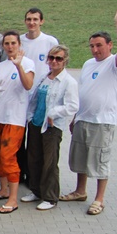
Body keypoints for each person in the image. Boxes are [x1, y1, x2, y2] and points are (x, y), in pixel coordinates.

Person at [61, 4, 117, 216]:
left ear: (109, 45)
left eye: (99, 45)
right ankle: (80, 191)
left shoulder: (114, 64)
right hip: (84, 118)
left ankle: (99, 199)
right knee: (81, 157)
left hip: (103, 122)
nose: (95, 49)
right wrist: (75, 117)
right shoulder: (88, 64)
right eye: (92, 45)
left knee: (100, 161)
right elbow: (83, 92)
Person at [20, 45, 78, 211]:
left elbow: (72, 106)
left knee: (49, 162)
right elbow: (35, 99)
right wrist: (31, 118)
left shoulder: (68, 82)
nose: (54, 61)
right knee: (34, 159)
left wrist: (53, 113)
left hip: (52, 127)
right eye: (51, 58)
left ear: (65, 61)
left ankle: (50, 196)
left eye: (58, 58)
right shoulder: (45, 78)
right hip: (37, 124)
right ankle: (36, 190)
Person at [0, 31, 35, 213]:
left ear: (19, 44)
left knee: (8, 157)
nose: (10, 46)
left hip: (14, 119)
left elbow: (28, 85)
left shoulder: (27, 63)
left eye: (13, 43)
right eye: (7, 43)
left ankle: (13, 199)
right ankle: (4, 189)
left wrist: (19, 66)